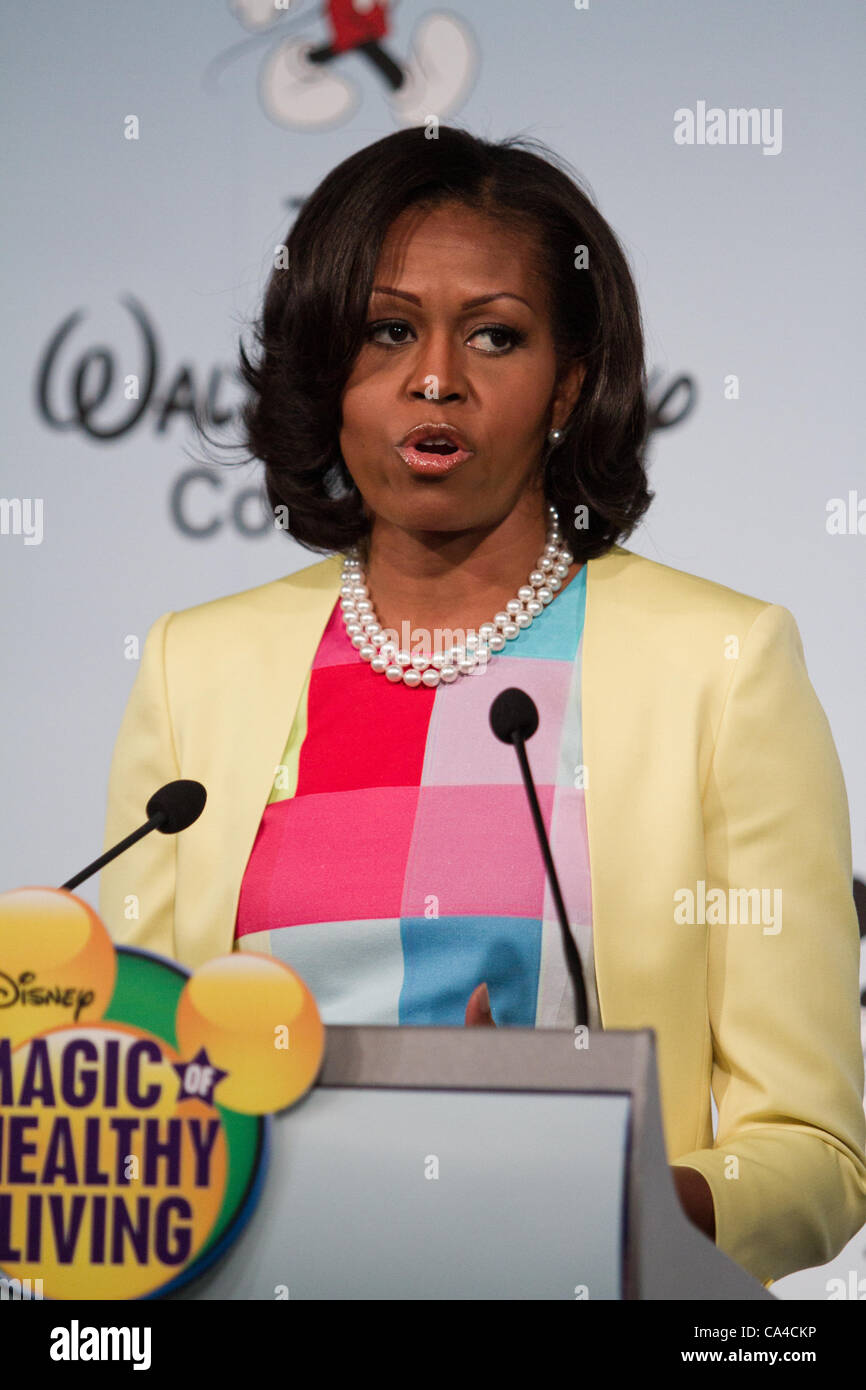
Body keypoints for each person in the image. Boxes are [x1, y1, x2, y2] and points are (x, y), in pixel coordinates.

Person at [99, 125, 866, 1290]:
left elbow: (812, 1154)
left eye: (494, 335)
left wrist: (598, 1197)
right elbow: (138, 1103)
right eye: (386, 329)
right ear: (324, 366)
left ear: (567, 380)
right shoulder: (193, 666)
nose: (434, 378)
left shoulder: (720, 663)